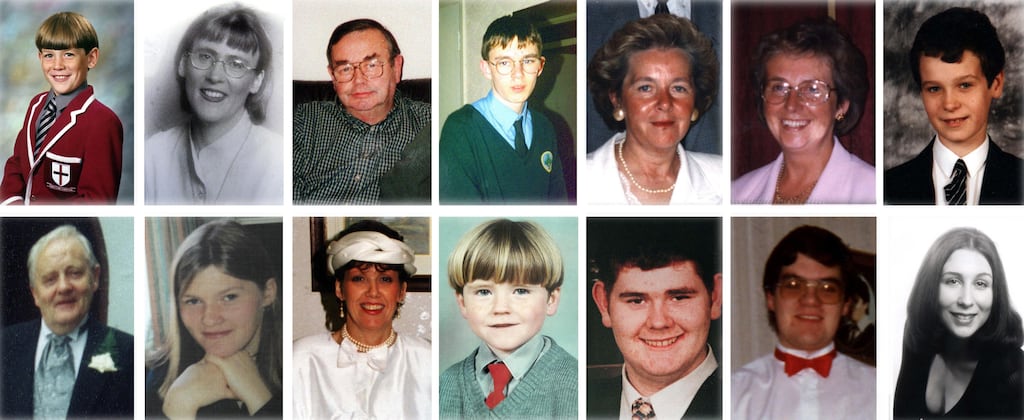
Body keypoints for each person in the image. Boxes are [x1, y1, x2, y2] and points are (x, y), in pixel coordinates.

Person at [732, 225, 875, 420]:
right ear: (771, 298)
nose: (810, 300)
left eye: (827, 288)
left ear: (846, 305)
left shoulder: (880, 389)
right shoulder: (733, 394)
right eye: (793, 286)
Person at [293, 220, 431, 419]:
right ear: (340, 289)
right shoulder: (303, 360)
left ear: (401, 291)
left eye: (385, 279)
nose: (373, 292)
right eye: (359, 278)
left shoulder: (426, 360)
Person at [440, 219, 577, 418]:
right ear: (462, 303)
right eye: (484, 292)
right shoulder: (446, 384)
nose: (501, 308)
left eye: (521, 291)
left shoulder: (575, 385)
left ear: (551, 300)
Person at [146, 4, 281, 205]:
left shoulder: (278, 160)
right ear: (183, 64)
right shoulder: (152, 155)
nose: (215, 76)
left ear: (256, 81)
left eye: (236, 64)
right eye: (205, 57)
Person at [145, 220, 282, 417]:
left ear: (268, 293)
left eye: (229, 297)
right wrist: (179, 405)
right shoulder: (153, 378)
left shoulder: (300, 370)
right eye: (193, 301)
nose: (209, 319)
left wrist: (259, 398)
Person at [884, 7, 1022, 205]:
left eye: (965, 85)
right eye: (934, 89)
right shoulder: (890, 187)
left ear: (996, 84)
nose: (949, 104)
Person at [588, 218, 723, 419]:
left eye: (678, 298)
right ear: (603, 304)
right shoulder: (576, 401)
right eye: (636, 301)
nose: (658, 322)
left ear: (715, 297)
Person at [732, 18, 874, 204]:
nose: (792, 105)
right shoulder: (737, 193)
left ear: (841, 106)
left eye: (813, 89)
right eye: (779, 87)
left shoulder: (872, 191)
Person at [587, 14, 723, 205]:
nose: (665, 103)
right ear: (617, 100)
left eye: (678, 88)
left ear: (694, 103)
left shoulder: (724, 179)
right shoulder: (582, 180)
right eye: (646, 88)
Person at [293, 19, 430, 205]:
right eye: (345, 68)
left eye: (372, 65)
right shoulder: (302, 121)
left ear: (396, 68)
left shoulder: (429, 124)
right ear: (332, 76)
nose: (358, 80)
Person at [1, 225, 133, 417]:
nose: (63, 287)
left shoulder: (129, 353)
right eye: (50, 279)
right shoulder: (6, 346)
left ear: (94, 278)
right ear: (35, 293)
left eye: (75, 273)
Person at [893, 228, 1023, 418]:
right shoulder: (918, 335)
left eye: (981, 284)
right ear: (931, 286)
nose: (966, 300)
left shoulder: (1015, 375)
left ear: (996, 293)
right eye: (953, 281)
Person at [439, 15, 568, 203]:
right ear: (486, 69)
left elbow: (559, 202)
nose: (518, 74)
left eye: (528, 61)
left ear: (540, 66)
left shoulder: (546, 127)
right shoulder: (461, 128)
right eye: (505, 63)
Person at [0, 12, 123, 205]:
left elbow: (95, 201)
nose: (57, 65)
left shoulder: (103, 122)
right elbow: (17, 164)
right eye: (49, 55)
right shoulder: (36, 105)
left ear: (91, 58)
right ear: (40, 58)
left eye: (68, 55)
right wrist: (14, 208)